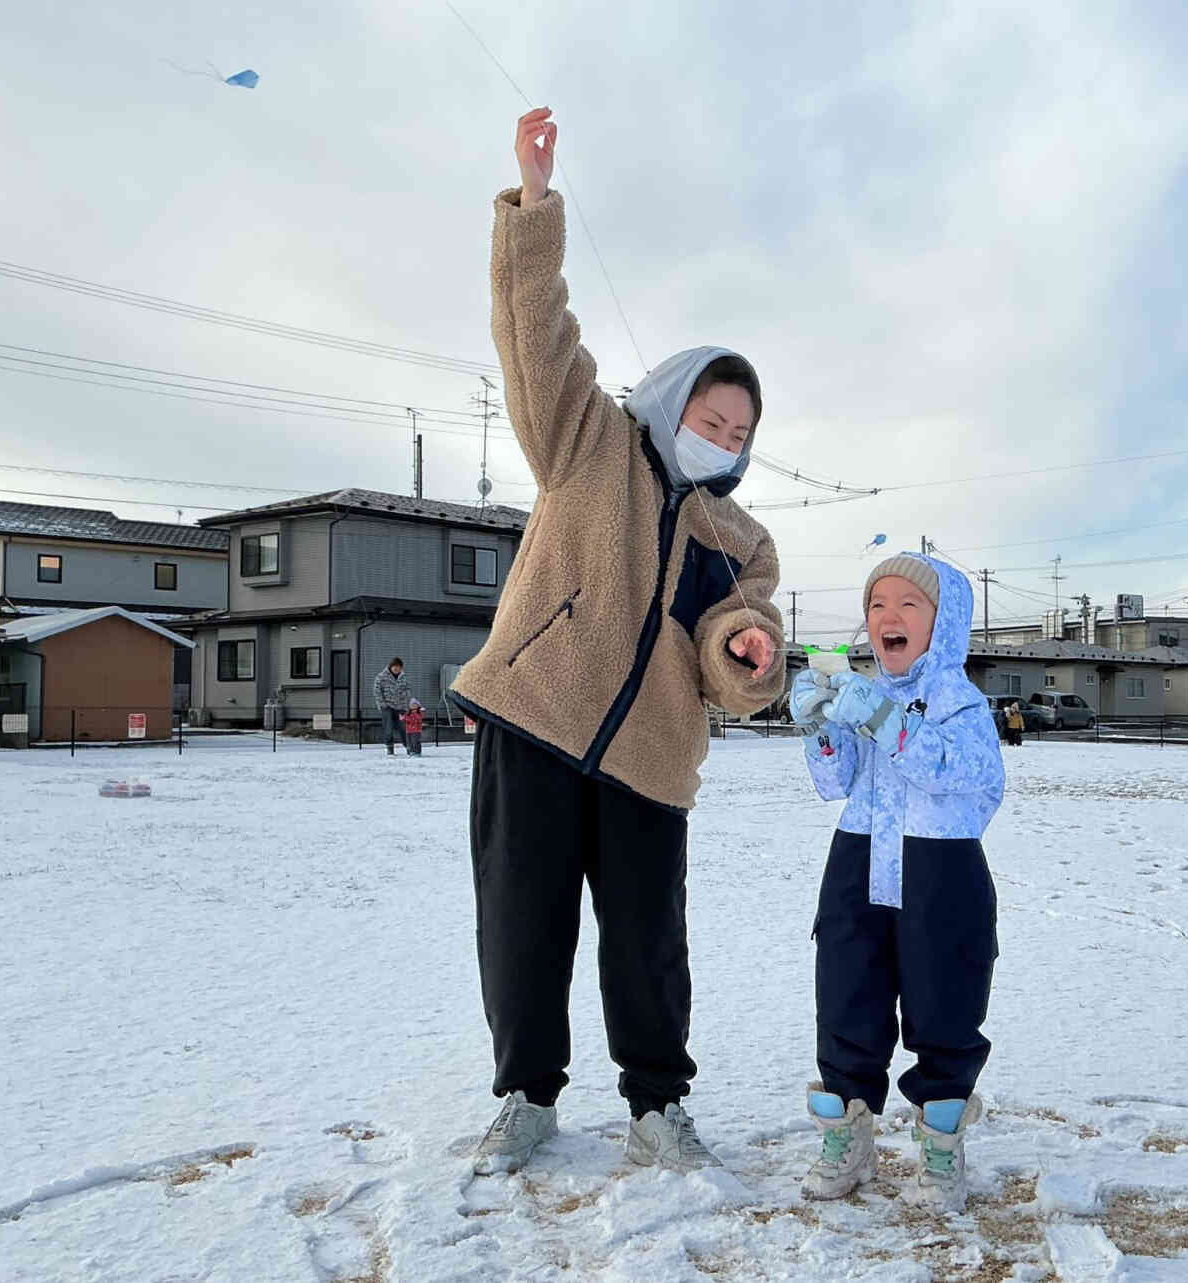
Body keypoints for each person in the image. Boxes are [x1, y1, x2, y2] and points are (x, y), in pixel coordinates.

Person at [450, 108, 785, 1177]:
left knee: (648, 943)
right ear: (674, 397)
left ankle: (656, 1103)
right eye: (711, 414)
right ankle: (526, 1095)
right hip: (534, 714)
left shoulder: (741, 536)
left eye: (738, 433)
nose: (721, 438)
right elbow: (533, 331)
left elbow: (740, 637)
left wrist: (744, 652)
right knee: (520, 925)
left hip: (649, 755)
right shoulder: (589, 440)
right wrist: (535, 209)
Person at [789, 553, 1004, 1212]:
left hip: (940, 868)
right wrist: (822, 725)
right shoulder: (863, 691)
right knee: (846, 991)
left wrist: (882, 717)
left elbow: (961, 773)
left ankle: (939, 1152)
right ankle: (847, 1138)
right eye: (877, 603)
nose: (888, 616)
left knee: (944, 1001)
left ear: (943, 623)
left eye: (908, 604)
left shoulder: (958, 700)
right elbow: (835, 783)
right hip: (857, 859)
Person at [374, 658, 412, 756]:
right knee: (388, 728)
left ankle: (408, 747)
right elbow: (377, 692)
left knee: (403, 728)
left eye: (399, 667)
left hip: (401, 707)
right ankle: (390, 748)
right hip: (387, 707)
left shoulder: (404, 677)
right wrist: (383, 704)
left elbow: (408, 690)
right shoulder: (381, 677)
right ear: (391, 667)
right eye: (395, 667)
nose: (397, 669)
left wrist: (406, 703)